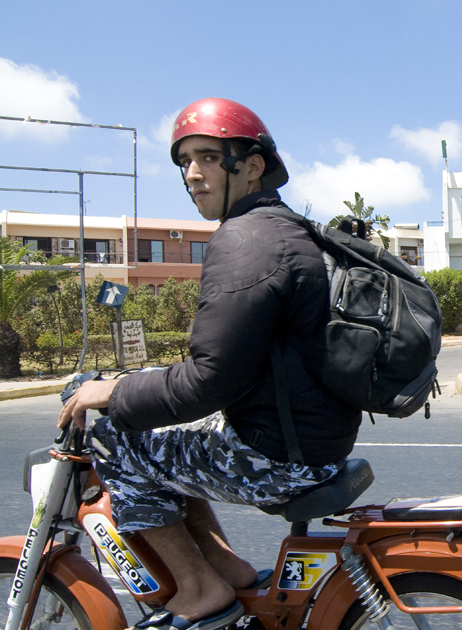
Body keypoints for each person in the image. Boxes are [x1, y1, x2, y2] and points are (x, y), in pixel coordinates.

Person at [58, 98, 362, 630]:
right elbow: (235, 361)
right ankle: (227, 569)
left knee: (117, 435)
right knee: (160, 432)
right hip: (312, 438)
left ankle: (200, 592)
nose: (193, 174)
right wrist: (129, 384)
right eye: (184, 162)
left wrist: (111, 394)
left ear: (251, 165)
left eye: (208, 157)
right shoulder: (286, 231)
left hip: (279, 456)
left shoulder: (245, 240)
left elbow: (208, 381)